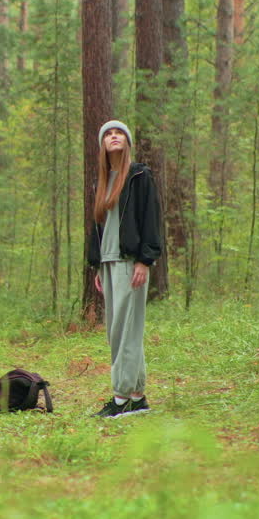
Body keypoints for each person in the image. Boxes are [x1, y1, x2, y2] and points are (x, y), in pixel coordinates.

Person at [86, 120, 163, 418]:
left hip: (131, 262)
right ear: (103, 145)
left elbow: (151, 219)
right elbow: (99, 227)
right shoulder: (102, 181)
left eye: (119, 133)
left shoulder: (139, 176)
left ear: (127, 142)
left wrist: (145, 260)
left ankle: (121, 399)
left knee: (125, 332)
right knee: (118, 333)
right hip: (108, 263)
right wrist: (97, 265)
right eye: (108, 134)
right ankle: (137, 396)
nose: (113, 137)